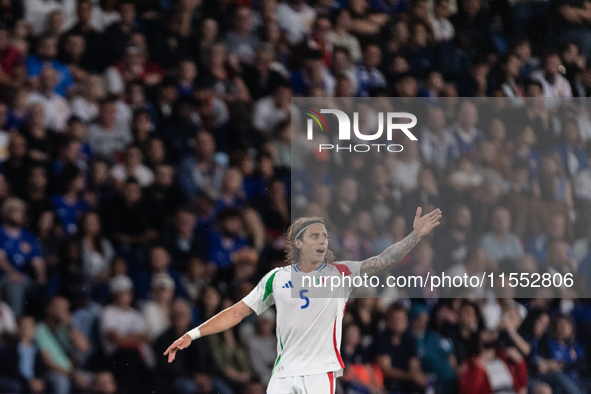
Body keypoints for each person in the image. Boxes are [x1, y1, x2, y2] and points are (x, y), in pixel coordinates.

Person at [164, 207, 442, 393]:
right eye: (315, 236)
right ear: (298, 243)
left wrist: (414, 237)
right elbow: (237, 312)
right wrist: (193, 333)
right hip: (284, 372)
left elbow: (381, 262)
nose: (323, 241)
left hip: (320, 373)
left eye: (324, 236)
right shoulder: (276, 278)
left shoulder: (340, 273)